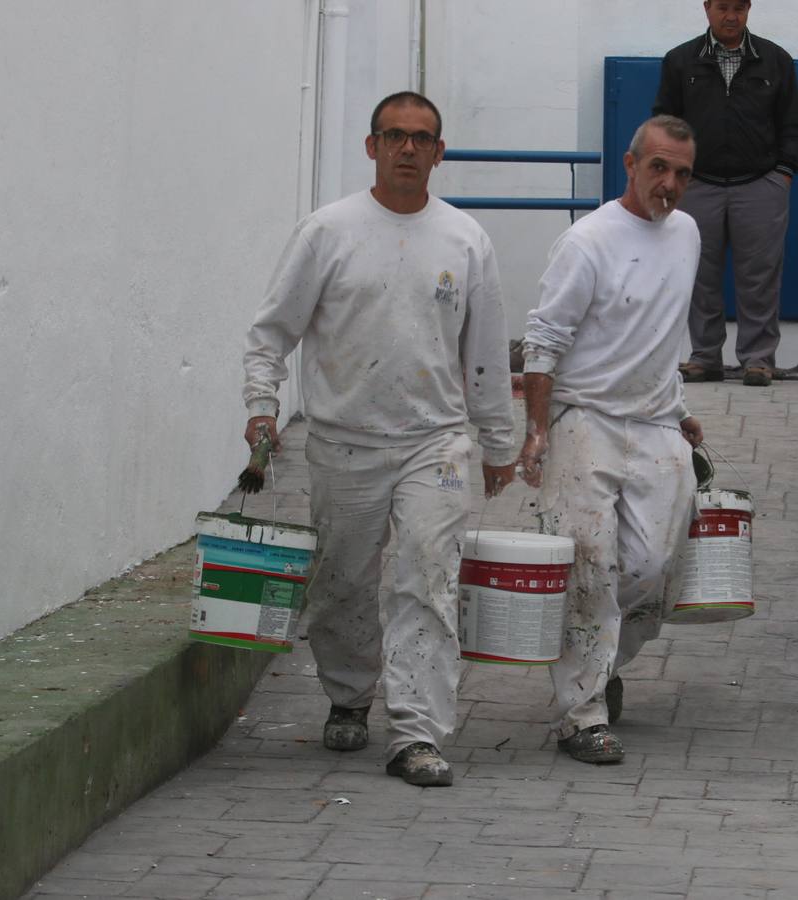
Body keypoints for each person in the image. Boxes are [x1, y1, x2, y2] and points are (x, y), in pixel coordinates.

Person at [241, 91, 517, 787]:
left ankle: (417, 732)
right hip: (344, 441)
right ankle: (347, 694)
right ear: (371, 146)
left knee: (426, 581)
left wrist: (498, 442)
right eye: (393, 136)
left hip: (437, 443)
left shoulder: (466, 240)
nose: (406, 149)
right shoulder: (327, 232)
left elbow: (485, 352)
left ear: (438, 152)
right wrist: (262, 403)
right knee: (342, 582)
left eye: (421, 139)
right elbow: (272, 331)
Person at [517, 116, 704, 764]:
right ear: (630, 163)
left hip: (654, 423)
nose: (670, 184)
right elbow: (543, 342)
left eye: (682, 172)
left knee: (653, 572)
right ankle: (582, 716)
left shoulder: (688, 235)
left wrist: (679, 411)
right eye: (659, 167)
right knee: (589, 568)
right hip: (584, 421)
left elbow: (663, 334)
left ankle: (597, 667)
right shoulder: (587, 241)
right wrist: (537, 432)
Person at [653, 0, 798, 387]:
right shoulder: (680, 61)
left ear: (749, 8)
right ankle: (705, 357)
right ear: (706, 7)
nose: (731, 16)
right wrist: (674, 176)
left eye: (739, 7)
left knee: (759, 276)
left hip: (759, 185)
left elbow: (793, 125)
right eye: (722, 7)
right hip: (698, 185)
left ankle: (758, 359)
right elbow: (664, 122)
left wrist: (783, 174)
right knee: (698, 273)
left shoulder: (775, 61)